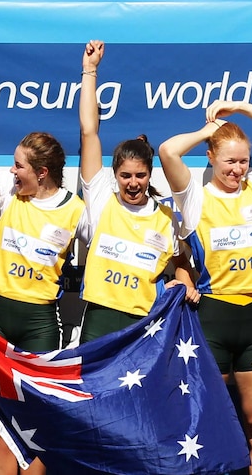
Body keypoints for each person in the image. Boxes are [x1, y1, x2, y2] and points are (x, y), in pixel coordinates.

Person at [158, 99, 252, 475]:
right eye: (229, 161)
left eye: (243, 161)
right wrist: (206, 131)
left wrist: (240, 108)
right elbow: (168, 150)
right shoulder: (194, 197)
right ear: (210, 157)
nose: (238, 170)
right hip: (213, 319)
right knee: (205, 429)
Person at [0, 105, 87, 475]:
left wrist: (178, 273)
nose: (12, 170)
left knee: (38, 426)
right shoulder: (10, 190)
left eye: (19, 166)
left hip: (40, 322)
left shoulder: (77, 211)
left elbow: (112, 251)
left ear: (41, 173)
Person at [77, 40, 198, 342]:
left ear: (150, 174)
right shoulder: (102, 199)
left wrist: (185, 285)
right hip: (100, 316)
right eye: (125, 176)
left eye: (140, 176)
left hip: (144, 322)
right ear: (114, 175)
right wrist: (89, 71)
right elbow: (88, 132)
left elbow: (182, 264)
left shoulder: (166, 216)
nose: (133, 183)